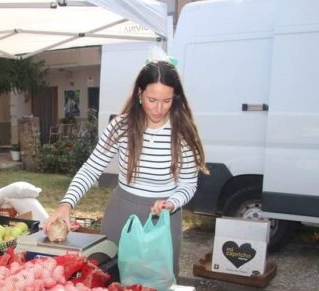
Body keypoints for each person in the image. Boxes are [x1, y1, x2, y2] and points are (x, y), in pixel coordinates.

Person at [44, 61, 207, 280]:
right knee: (110, 281)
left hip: (163, 220)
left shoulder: (183, 132)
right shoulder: (121, 126)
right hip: (122, 213)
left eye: (166, 101)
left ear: (175, 98)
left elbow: (188, 183)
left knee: (156, 289)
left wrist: (173, 202)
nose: (159, 109)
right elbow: (92, 167)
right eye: (152, 100)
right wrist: (66, 204)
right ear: (140, 94)